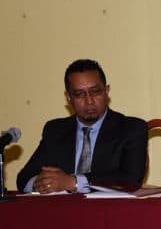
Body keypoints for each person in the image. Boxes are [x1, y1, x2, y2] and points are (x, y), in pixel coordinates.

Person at [17, 59, 148, 193]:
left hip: (109, 211)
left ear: (107, 91)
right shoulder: (56, 130)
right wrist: (41, 184)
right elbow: (24, 177)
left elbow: (131, 178)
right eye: (79, 94)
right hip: (63, 210)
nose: (89, 101)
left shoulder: (131, 128)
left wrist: (73, 182)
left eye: (95, 92)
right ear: (68, 97)